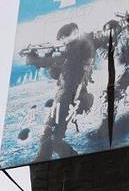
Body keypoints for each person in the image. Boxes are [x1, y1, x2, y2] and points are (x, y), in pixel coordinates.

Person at [23, 22, 97, 161]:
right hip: (65, 96)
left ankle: (46, 160)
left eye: (64, 37)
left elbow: (64, 62)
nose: (62, 41)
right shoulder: (72, 51)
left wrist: (37, 58)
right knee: (51, 137)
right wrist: (48, 60)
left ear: (75, 33)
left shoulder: (80, 47)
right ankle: (47, 159)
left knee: (50, 135)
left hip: (69, 97)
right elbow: (57, 74)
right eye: (61, 38)